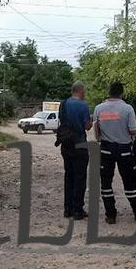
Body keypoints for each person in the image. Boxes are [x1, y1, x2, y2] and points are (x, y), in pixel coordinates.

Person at [93, 82, 136, 224]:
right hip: (124, 149)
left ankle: (111, 214)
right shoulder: (127, 109)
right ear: (122, 93)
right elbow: (133, 130)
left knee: (106, 182)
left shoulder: (99, 108)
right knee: (131, 181)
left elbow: (96, 130)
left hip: (106, 149)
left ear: (109, 92)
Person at [57, 82, 93, 220]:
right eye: (85, 90)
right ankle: (78, 209)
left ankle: (67, 209)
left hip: (66, 143)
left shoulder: (64, 104)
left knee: (69, 175)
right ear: (81, 91)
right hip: (79, 143)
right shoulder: (83, 105)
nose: (85, 93)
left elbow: (62, 121)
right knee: (80, 177)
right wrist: (91, 121)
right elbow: (87, 127)